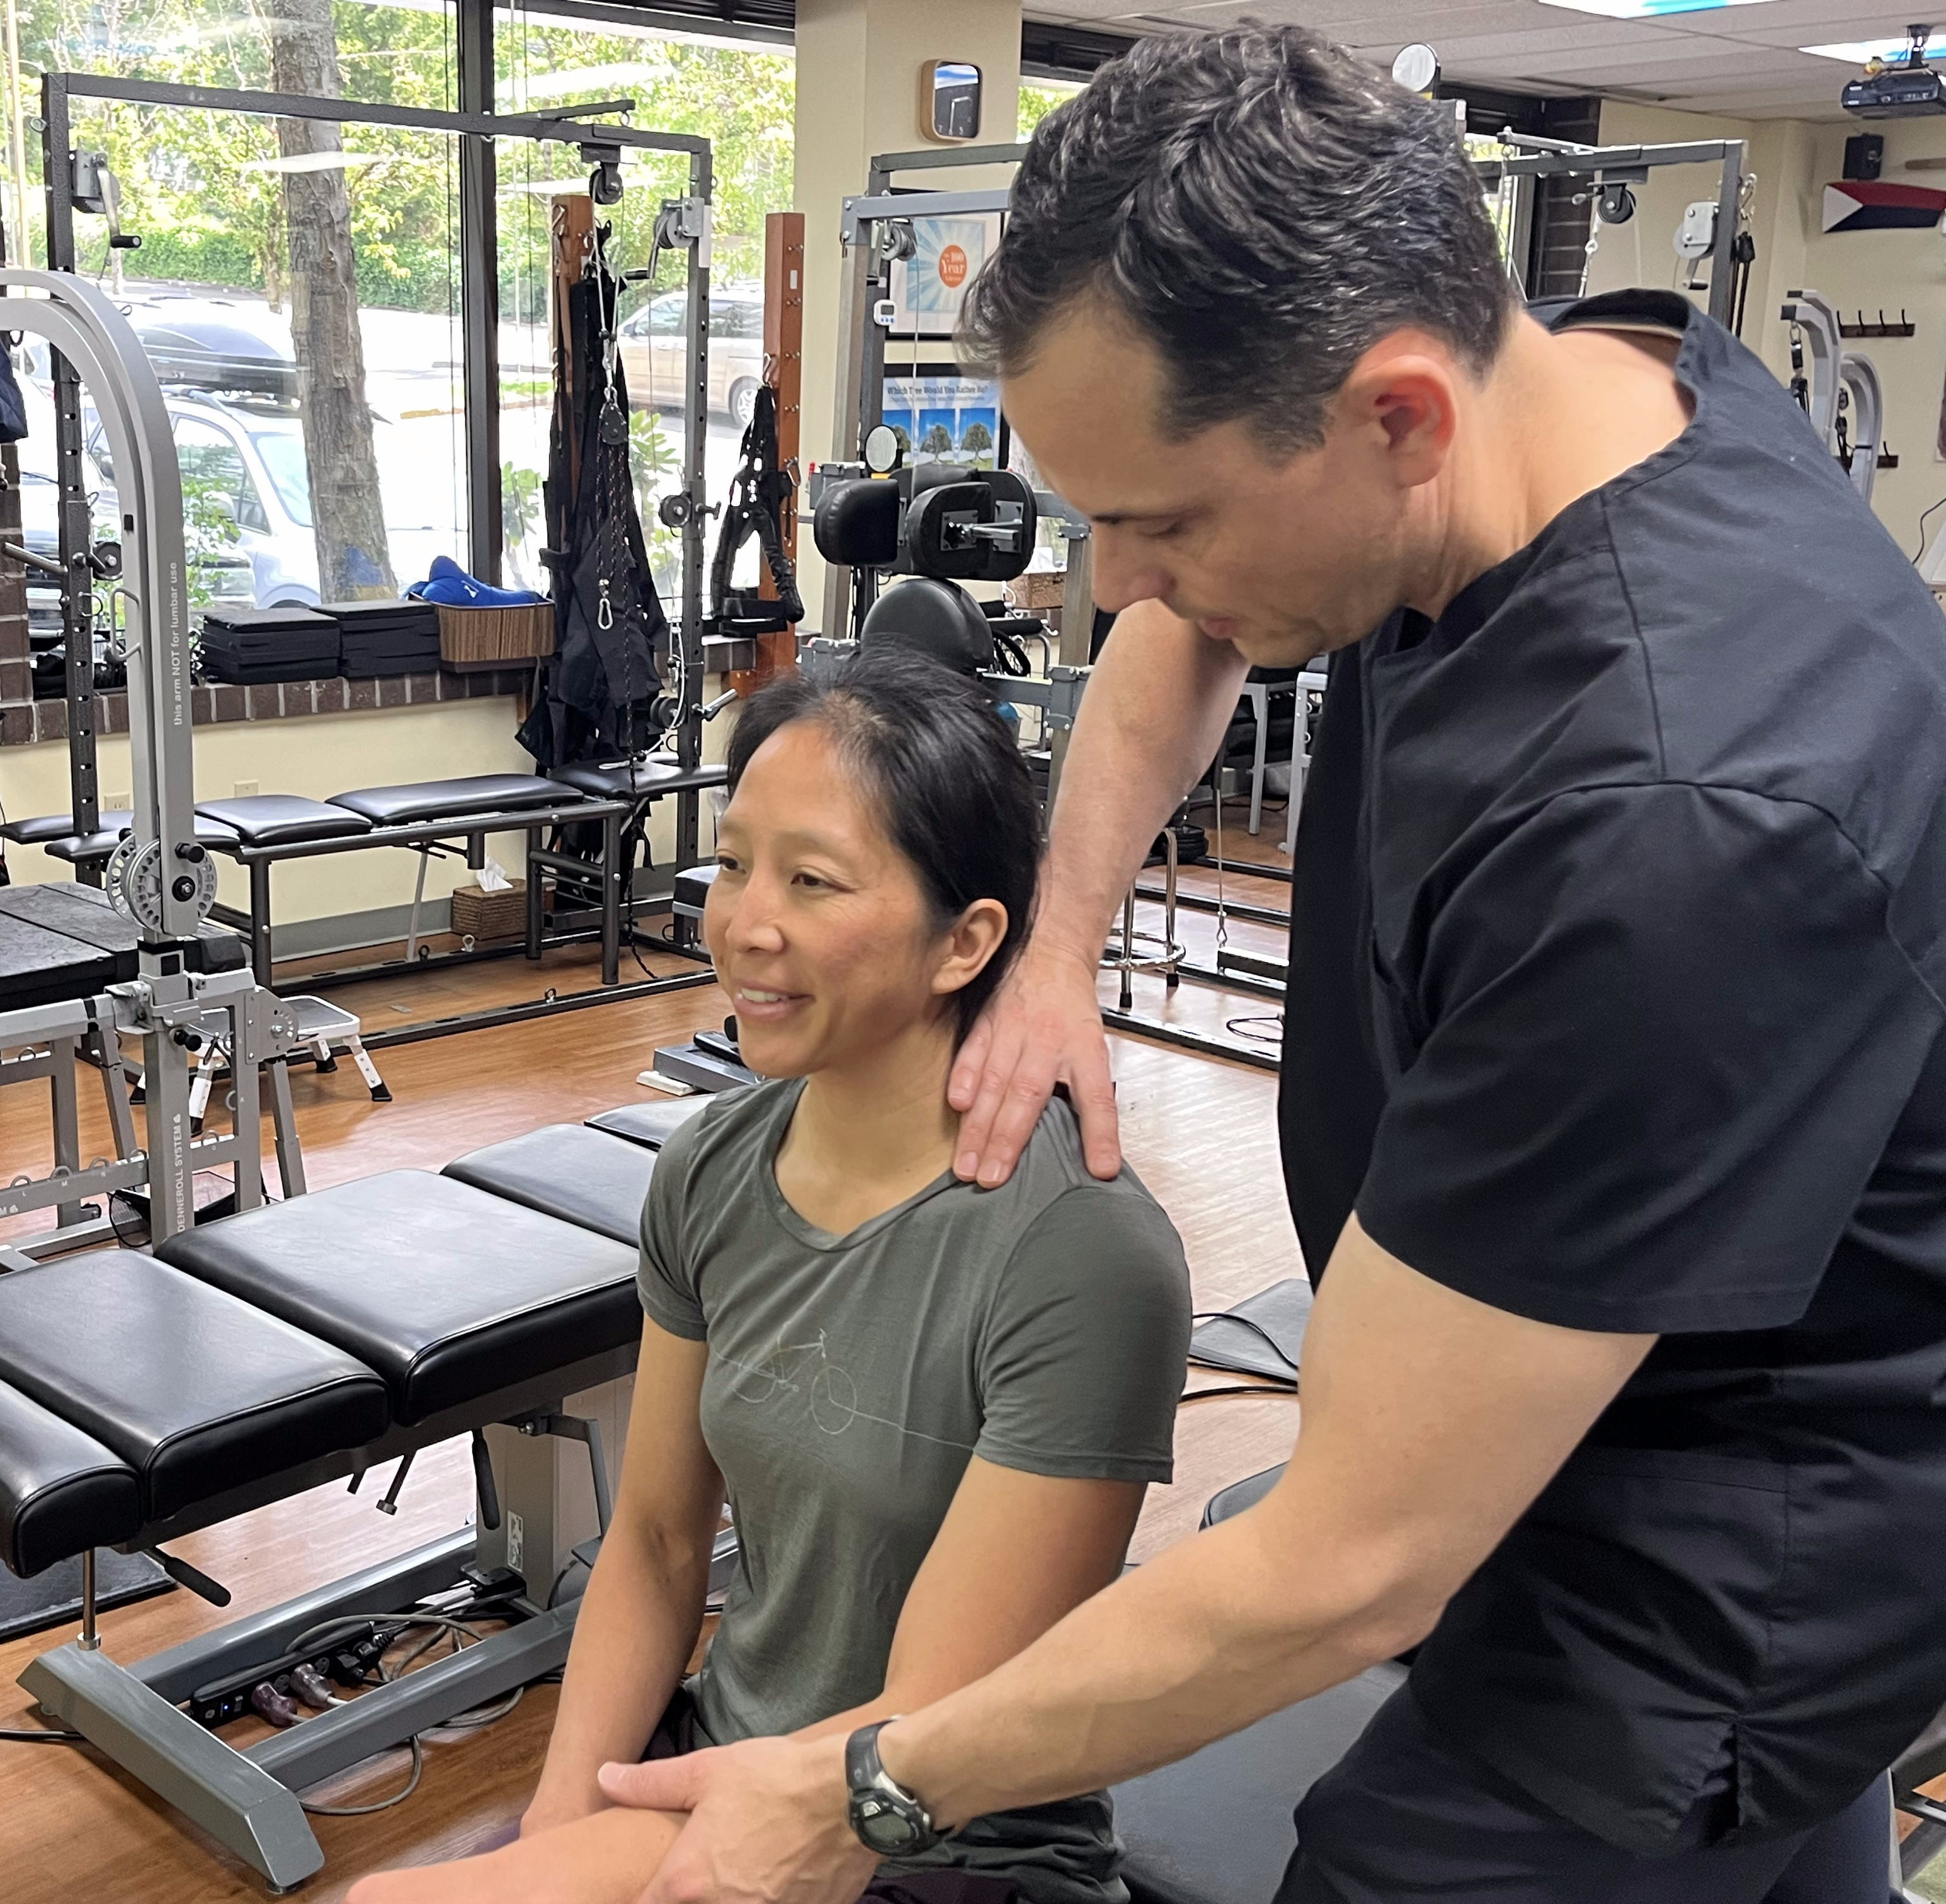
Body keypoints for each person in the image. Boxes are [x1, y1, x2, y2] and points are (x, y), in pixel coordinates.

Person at [590, 25, 1946, 1904]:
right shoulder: (1596, 382)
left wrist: (858, 1795)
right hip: (1608, 1369)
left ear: (1399, 414)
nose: (1126, 591)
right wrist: (1060, 941)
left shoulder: (1671, 816)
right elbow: (1182, 645)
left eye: (1161, 523)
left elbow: (1351, 1558)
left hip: (1710, 1547)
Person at [351, 650, 1191, 1904]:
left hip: (938, 1839)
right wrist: (559, 1817)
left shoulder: (1082, 1256)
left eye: (812, 880)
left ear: (965, 943)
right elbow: (649, 1539)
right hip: (721, 1761)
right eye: (733, 862)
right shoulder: (710, 1170)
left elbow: (922, 1729)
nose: (745, 922)